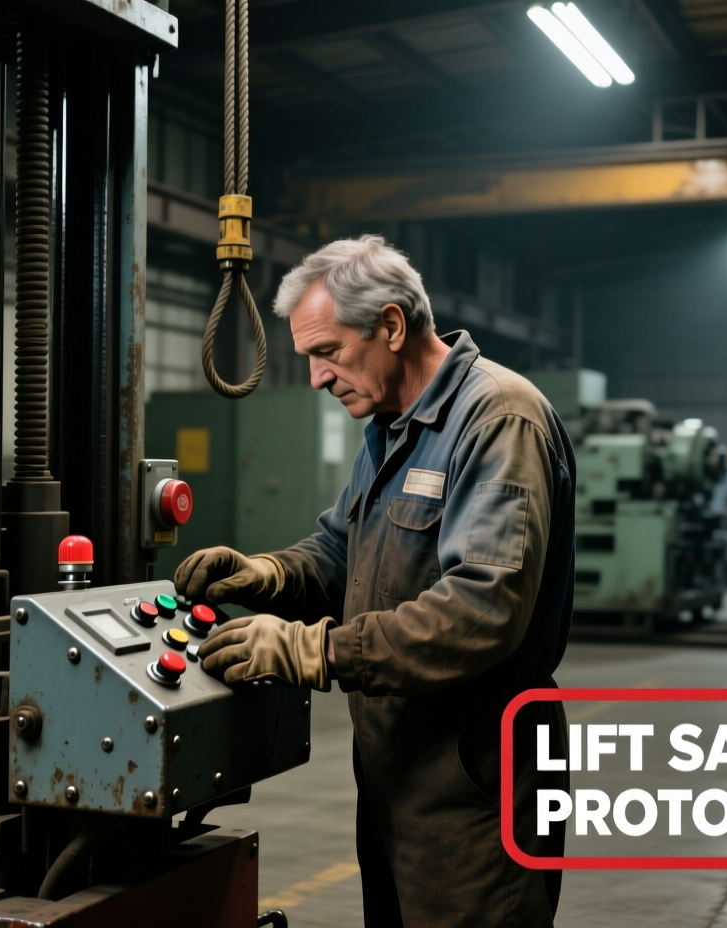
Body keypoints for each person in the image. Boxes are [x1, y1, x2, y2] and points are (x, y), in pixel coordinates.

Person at [180, 234, 576, 927]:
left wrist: (315, 651)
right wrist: (267, 574)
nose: (315, 377)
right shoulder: (396, 426)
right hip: (396, 765)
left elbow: (483, 609)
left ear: (391, 326)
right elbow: (342, 547)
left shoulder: (497, 417)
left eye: (327, 352)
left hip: (478, 772)